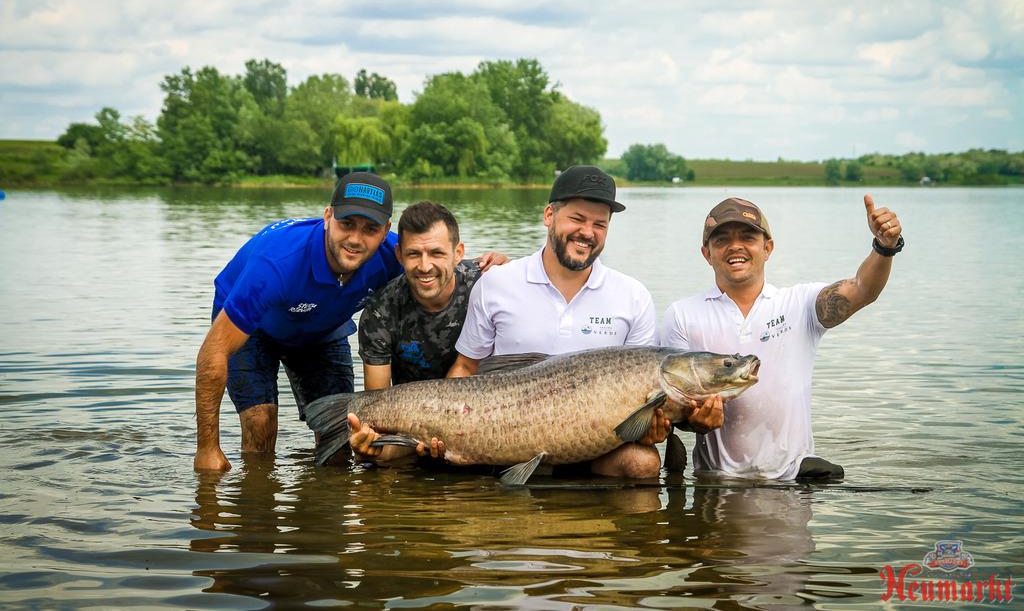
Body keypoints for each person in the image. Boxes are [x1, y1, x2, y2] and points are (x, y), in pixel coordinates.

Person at [447, 165, 724, 478]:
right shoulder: (497, 282)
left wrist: (651, 427)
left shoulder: (632, 295)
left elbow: (646, 403)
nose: (588, 232)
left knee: (643, 463)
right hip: (506, 434)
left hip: (595, 448)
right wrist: (446, 425)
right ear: (549, 215)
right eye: (577, 219)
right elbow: (467, 368)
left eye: (599, 224)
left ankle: (626, 526)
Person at [660, 195, 905, 480]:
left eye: (748, 237)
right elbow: (672, 402)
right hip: (716, 480)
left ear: (768, 248)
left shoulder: (799, 303)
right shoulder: (682, 314)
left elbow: (862, 289)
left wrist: (884, 247)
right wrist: (696, 421)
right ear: (706, 254)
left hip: (792, 479)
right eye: (721, 239)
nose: (735, 246)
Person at [193, 172, 401, 472]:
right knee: (261, 423)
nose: (356, 239)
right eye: (346, 224)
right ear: (327, 216)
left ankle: (321, 507)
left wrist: (491, 266)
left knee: (340, 434)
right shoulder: (278, 262)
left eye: (370, 229)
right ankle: (258, 501)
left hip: (321, 329)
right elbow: (213, 350)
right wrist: (207, 449)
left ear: (386, 231)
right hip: (256, 329)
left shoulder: (393, 254)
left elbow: (444, 268)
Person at [351, 200, 504, 464]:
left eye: (436, 253)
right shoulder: (380, 312)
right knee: (376, 458)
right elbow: (376, 405)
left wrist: (508, 266)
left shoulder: (488, 285)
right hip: (415, 432)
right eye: (414, 254)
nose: (425, 266)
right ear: (399, 255)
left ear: (458, 253)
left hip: (488, 422)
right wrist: (369, 442)